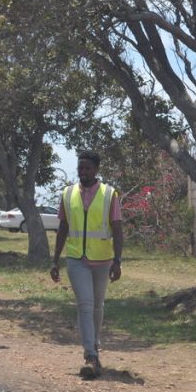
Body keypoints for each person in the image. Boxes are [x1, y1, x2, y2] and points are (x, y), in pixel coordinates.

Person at [51, 150, 123, 379]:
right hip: (76, 259)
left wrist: (118, 261)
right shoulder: (68, 193)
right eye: (80, 168)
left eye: (88, 168)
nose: (83, 172)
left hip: (102, 259)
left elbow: (118, 229)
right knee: (85, 304)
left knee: (97, 306)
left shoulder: (109, 194)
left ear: (96, 169)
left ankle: (95, 345)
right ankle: (90, 355)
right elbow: (62, 228)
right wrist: (55, 260)